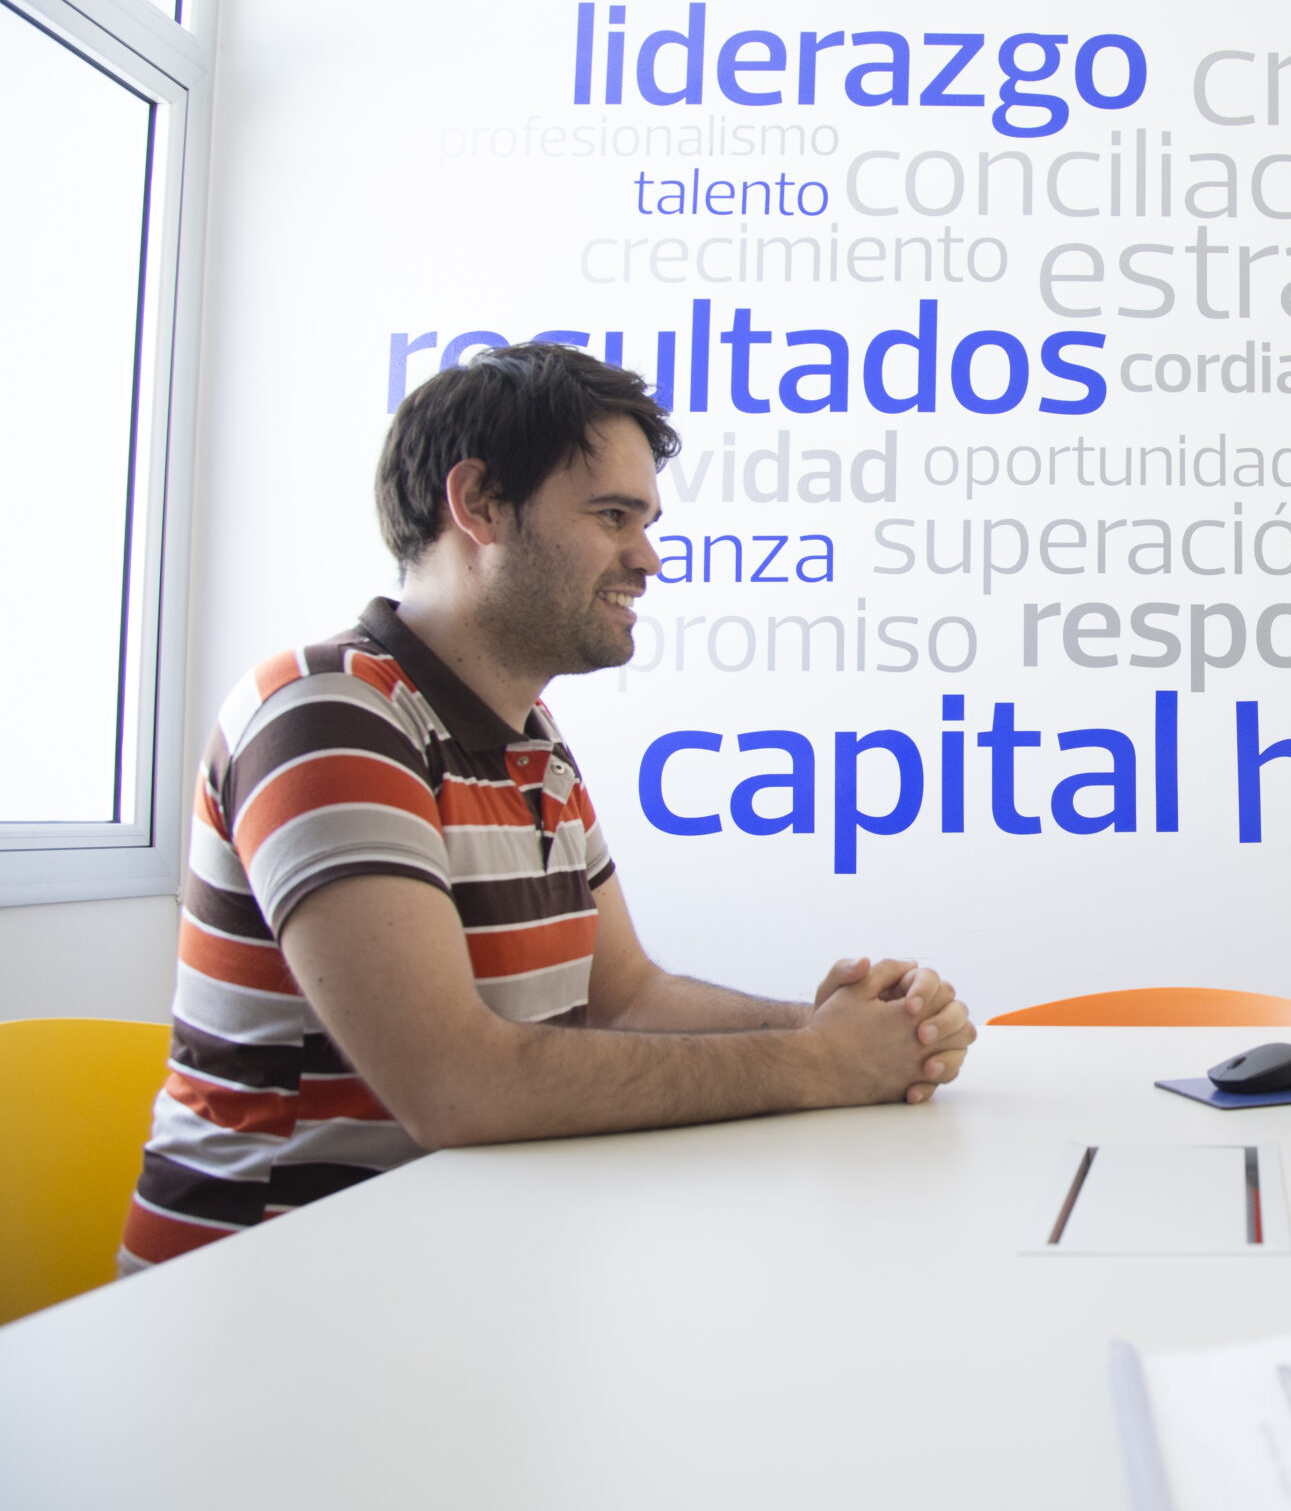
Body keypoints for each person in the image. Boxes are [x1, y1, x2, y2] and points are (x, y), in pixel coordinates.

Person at [121, 344, 974, 1271]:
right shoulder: (324, 713)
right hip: (265, 1286)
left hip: (450, 1266)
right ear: (480, 503)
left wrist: (845, 1030)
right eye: (613, 516)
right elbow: (455, 1084)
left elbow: (625, 998)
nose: (648, 558)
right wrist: (817, 1065)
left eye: (646, 521)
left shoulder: (533, 739)